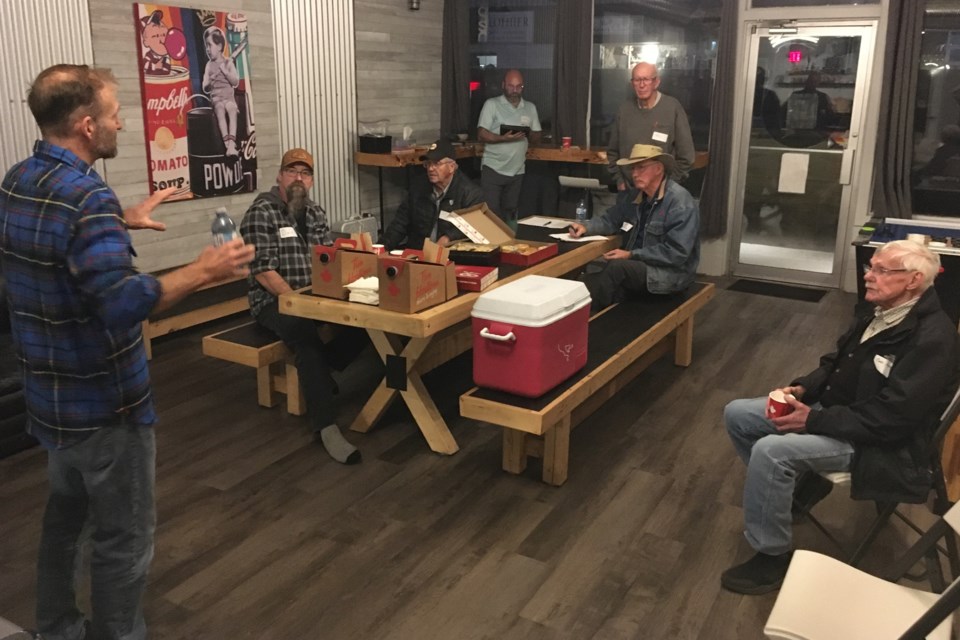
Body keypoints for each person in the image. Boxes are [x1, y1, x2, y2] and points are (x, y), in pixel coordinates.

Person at [0, 64, 254, 640]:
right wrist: (203, 270)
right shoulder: (88, 198)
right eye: (114, 114)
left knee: (64, 523)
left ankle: (57, 627)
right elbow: (120, 304)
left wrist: (121, 219)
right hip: (105, 408)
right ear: (87, 126)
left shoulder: (18, 180)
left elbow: (52, 245)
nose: (121, 122)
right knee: (123, 540)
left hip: (50, 401)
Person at [721, 240, 960, 596]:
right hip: (840, 414)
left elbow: (891, 419)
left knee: (772, 452)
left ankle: (771, 556)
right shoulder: (878, 311)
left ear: (912, 281)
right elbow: (835, 363)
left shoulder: (932, 338)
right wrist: (802, 389)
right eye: (870, 267)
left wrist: (812, 422)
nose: (868, 276)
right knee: (738, 413)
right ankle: (795, 495)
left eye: (881, 270)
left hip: (881, 444)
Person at [239, 148, 366, 466]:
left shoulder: (315, 212)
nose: (299, 178)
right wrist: (296, 304)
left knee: (367, 318)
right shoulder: (262, 212)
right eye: (292, 171)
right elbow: (264, 272)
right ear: (280, 176)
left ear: (311, 180)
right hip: (272, 300)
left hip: (312, 294)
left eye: (305, 173)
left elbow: (326, 260)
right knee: (303, 332)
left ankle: (321, 373)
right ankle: (325, 425)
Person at [570, 144, 699, 311]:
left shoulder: (679, 202)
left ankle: (586, 322)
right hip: (639, 269)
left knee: (616, 269)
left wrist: (631, 254)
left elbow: (676, 253)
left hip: (670, 275)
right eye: (633, 169)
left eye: (641, 168)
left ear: (659, 168)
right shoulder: (635, 197)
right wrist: (585, 227)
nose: (635, 174)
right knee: (584, 282)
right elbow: (610, 219)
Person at [380, 139, 484, 250]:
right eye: (428, 164)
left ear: (452, 167)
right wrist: (381, 247)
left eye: (437, 164)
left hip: (452, 255)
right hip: (418, 254)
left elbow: (473, 226)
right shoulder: (418, 187)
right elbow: (400, 223)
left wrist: (448, 237)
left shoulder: (470, 193)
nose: (430, 168)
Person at [607, 62, 695, 189]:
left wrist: (669, 186)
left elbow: (687, 157)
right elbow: (612, 152)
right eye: (637, 80)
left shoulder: (672, 108)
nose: (642, 85)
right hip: (629, 191)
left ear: (656, 82)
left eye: (646, 79)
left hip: (662, 194)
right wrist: (619, 180)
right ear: (632, 83)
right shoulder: (624, 110)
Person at [476, 69, 542, 227]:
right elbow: (481, 134)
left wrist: (528, 132)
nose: (514, 90)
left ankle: (510, 246)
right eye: (511, 86)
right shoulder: (492, 104)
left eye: (518, 86)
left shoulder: (530, 107)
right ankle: (492, 247)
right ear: (503, 85)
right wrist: (503, 138)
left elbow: (537, 137)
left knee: (511, 212)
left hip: (517, 171)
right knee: (491, 213)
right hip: (493, 168)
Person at [202, 26, 241, 157]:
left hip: (229, 98)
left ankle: (231, 143)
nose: (207, 49)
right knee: (219, 109)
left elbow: (235, 82)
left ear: (219, 46)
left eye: (210, 45)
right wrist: (209, 82)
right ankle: (226, 145)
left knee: (231, 109)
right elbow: (204, 87)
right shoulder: (208, 65)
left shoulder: (228, 62)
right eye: (206, 46)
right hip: (217, 98)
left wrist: (226, 72)